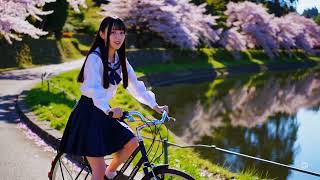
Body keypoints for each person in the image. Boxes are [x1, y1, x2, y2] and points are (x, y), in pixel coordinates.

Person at [58, 16, 169, 180]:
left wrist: (155, 106)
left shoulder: (120, 59)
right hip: (88, 113)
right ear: (102, 34)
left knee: (132, 142)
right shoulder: (94, 58)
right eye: (113, 33)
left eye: (122, 33)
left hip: (104, 112)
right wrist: (109, 109)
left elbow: (135, 85)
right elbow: (94, 90)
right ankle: (103, 173)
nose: (118, 37)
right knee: (97, 171)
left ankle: (110, 173)